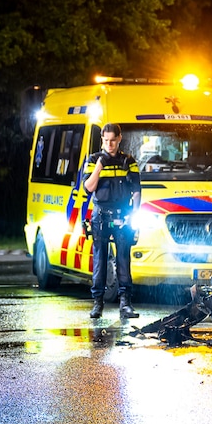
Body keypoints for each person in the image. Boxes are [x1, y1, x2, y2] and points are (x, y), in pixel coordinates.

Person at [82, 123, 142, 319]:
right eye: (106, 140)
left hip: (123, 216)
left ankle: (125, 304)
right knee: (100, 260)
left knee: (123, 259)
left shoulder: (128, 161)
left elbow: (136, 190)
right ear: (102, 140)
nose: (109, 144)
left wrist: (134, 214)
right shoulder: (93, 160)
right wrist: (99, 167)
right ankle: (97, 303)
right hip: (100, 215)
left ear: (119, 139)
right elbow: (88, 188)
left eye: (113, 140)